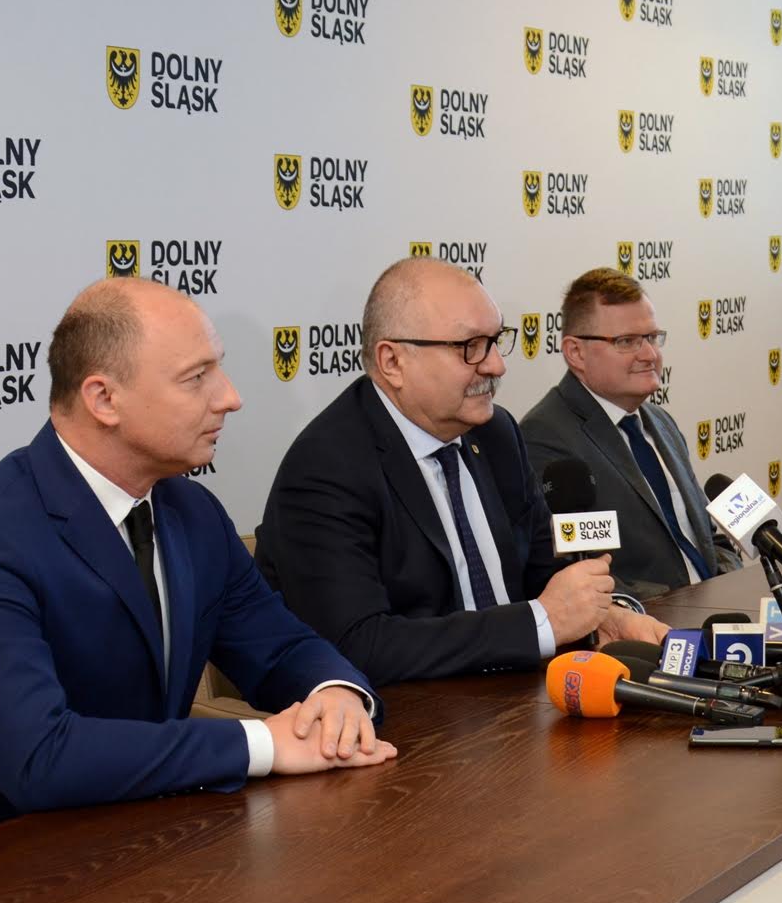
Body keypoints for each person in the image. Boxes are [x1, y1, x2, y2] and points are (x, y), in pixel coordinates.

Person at [0, 279, 393, 845]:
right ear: (104, 400)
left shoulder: (192, 512)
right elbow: (40, 758)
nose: (230, 397)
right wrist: (264, 744)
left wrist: (335, 695)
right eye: (196, 378)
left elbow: (281, 647)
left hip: (132, 832)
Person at [257, 257, 668, 685]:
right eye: (470, 346)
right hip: (415, 714)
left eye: (496, 341)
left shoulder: (496, 433)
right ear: (392, 361)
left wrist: (605, 615)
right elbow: (358, 644)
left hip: (519, 695)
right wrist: (538, 624)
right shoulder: (327, 466)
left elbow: (545, 574)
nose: (496, 365)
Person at [521, 268, 738, 599]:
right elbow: (573, 570)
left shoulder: (660, 421)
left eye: (652, 337)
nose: (649, 354)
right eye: (627, 342)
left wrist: (729, 588)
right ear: (575, 352)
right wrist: (674, 608)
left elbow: (709, 536)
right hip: (645, 622)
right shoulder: (544, 437)